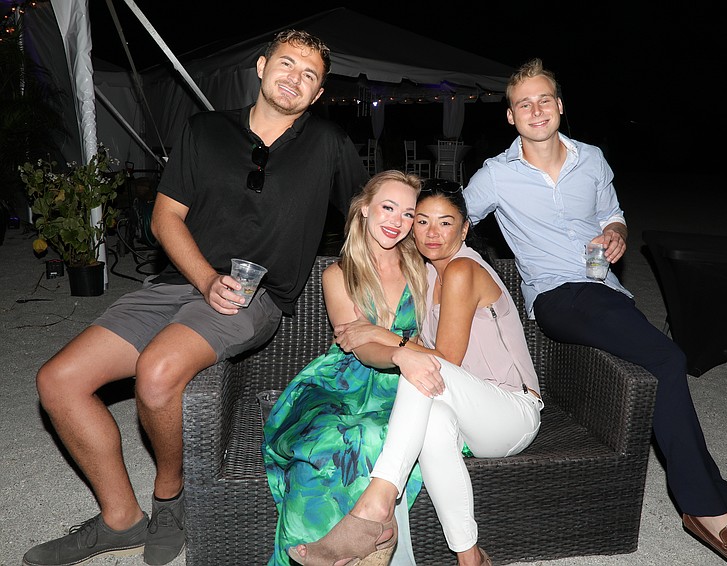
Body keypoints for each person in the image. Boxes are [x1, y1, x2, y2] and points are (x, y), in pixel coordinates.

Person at [461, 58, 727, 566]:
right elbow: (452, 222)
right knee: (667, 357)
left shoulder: (591, 158)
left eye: (544, 99)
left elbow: (613, 211)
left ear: (560, 106)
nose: (536, 110)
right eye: (523, 103)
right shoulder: (496, 176)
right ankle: (709, 515)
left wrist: (617, 234)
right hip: (557, 297)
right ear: (510, 117)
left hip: (605, 288)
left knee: (664, 368)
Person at [23, 29, 367, 566]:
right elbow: (166, 217)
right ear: (260, 66)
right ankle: (120, 519)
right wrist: (205, 278)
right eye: (287, 63)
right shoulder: (205, 129)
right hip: (179, 281)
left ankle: (169, 498)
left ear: (319, 93)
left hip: (254, 297)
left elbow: (368, 220)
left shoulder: (328, 145)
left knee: (157, 375)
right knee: (58, 382)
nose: (295, 78)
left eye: (310, 75)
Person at [287, 180, 544, 566]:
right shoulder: (426, 273)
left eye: (445, 222)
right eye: (421, 221)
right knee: (433, 423)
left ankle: (376, 505)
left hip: (511, 411)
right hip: (464, 411)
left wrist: (382, 334)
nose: (431, 233)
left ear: (465, 227)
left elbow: (445, 360)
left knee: (420, 368)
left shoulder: (460, 269)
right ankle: (470, 557)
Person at [262, 170, 427, 566]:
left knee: (370, 437)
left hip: (406, 387)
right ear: (365, 210)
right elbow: (360, 345)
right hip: (344, 379)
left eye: (408, 214)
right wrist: (401, 348)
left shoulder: (425, 270)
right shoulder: (337, 274)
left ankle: (348, 547)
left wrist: (389, 340)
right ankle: (307, 554)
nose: (396, 221)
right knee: (324, 438)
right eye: (388, 207)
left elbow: (436, 349)